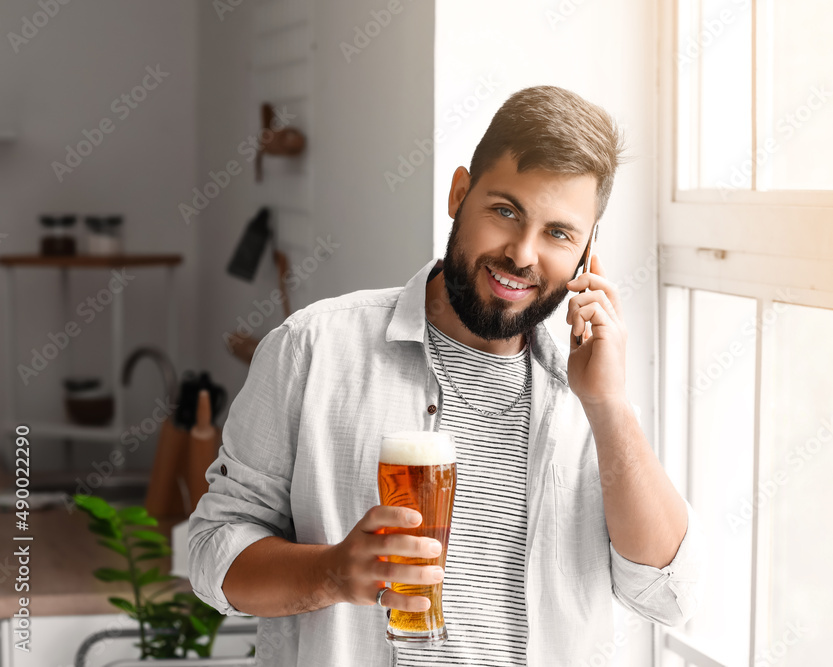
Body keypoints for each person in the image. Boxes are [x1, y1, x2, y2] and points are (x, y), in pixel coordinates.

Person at [188, 85, 702, 666]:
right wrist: (331, 572)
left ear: (587, 253)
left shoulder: (591, 394)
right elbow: (211, 553)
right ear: (460, 193)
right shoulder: (312, 348)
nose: (523, 254)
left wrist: (608, 407)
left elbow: (667, 594)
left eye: (559, 233)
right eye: (505, 211)